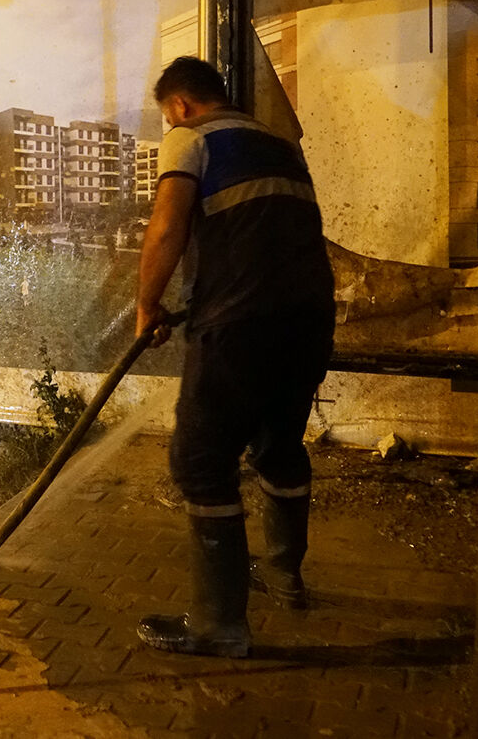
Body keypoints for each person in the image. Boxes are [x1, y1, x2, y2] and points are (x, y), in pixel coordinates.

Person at [132, 56, 335, 658]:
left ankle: (218, 625)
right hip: (308, 322)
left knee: (200, 462)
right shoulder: (279, 145)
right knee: (278, 446)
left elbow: (167, 228)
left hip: (238, 327)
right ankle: (284, 574)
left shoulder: (189, 137)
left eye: (168, 116)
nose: (170, 124)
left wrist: (147, 305)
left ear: (180, 105)